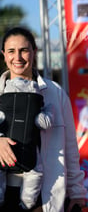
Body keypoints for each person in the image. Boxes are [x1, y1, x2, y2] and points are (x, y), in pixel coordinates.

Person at [0, 27, 86, 211]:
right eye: (11, 51)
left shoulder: (55, 93)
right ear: (3, 55)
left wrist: (77, 192)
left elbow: (70, 147)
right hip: (4, 192)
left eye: (24, 50)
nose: (18, 57)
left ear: (34, 51)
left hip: (45, 194)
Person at [0, 76, 53, 210]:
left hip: (12, 157)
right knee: (35, 173)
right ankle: (26, 203)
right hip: (27, 154)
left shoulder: (54, 91)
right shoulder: (37, 104)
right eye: (11, 52)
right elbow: (45, 123)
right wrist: (48, 111)